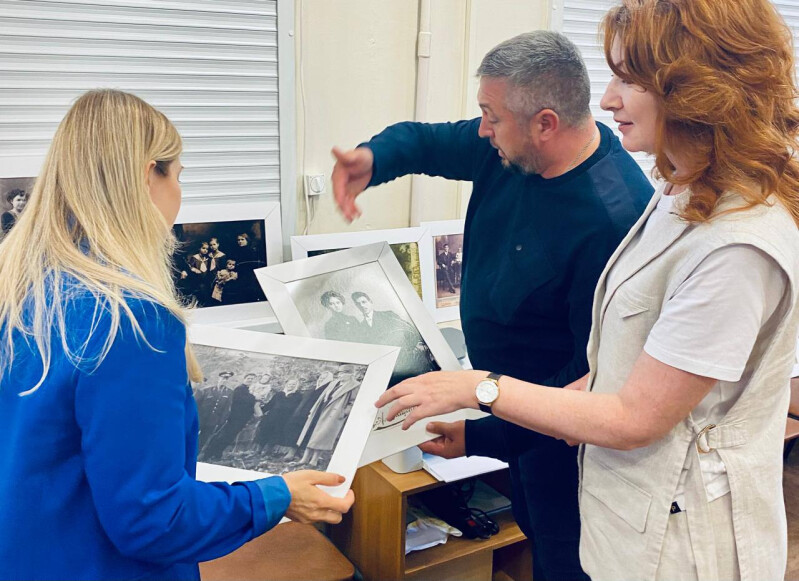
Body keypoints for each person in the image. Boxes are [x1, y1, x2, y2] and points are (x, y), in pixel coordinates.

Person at [376, 2, 799, 579]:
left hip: (680, 539)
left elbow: (634, 417)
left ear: (699, 90)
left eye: (629, 79)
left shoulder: (737, 245)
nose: (608, 100)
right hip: (621, 506)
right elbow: (618, 360)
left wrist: (482, 390)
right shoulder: (682, 192)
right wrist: (489, 430)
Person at [332, 30, 652, 580]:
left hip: (568, 453)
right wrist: (374, 160)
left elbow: (593, 377)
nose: (482, 129)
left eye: (491, 117)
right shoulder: (512, 147)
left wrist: (486, 434)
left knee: (564, 560)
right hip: (511, 418)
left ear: (545, 123)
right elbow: (425, 141)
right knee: (534, 537)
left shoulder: (613, 219)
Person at [0, 89, 353, 580]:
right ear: (150, 176)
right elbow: (155, 520)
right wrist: (277, 496)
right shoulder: (130, 319)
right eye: (178, 176)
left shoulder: (22, 283)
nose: (179, 195)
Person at [351, 291, 437, 384]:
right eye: (358, 304)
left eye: (364, 302)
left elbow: (408, 330)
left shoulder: (388, 315)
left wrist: (411, 349)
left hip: (405, 360)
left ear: (370, 302)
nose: (362, 306)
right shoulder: (361, 327)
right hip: (385, 366)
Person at [298, 366, 361, 468]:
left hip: (333, 414)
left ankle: (314, 461)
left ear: (350, 374)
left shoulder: (354, 386)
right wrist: (313, 409)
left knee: (322, 437)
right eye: (339, 373)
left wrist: (343, 413)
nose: (340, 375)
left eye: (342, 373)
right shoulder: (334, 383)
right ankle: (304, 459)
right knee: (311, 433)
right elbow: (321, 397)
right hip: (321, 409)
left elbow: (353, 402)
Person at [202, 372, 258, 462]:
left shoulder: (248, 391)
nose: (250, 380)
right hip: (234, 418)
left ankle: (217, 453)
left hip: (241, 420)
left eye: (252, 379)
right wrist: (253, 397)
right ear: (244, 379)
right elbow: (242, 402)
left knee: (229, 438)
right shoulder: (239, 389)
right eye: (248, 378)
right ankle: (208, 454)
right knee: (223, 436)